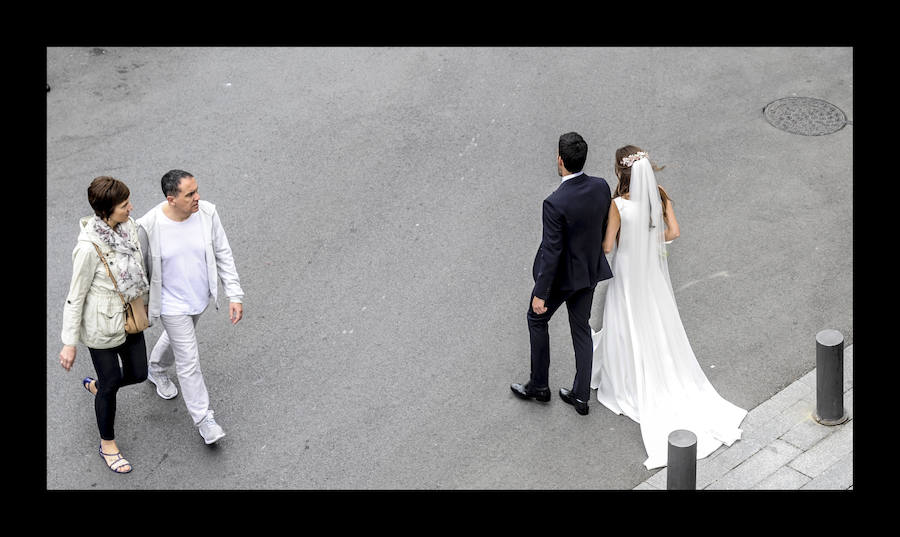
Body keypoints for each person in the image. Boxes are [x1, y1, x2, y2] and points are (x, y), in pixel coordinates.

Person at [589, 145, 747, 469]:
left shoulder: (618, 205)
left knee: (624, 323)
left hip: (627, 273)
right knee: (656, 323)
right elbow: (673, 231)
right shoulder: (658, 194)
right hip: (650, 273)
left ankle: (625, 380)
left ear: (621, 172)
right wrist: (654, 244)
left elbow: (608, 245)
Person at [136, 169, 244, 445]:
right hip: (171, 304)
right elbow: (138, 269)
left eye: (196, 190)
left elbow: (223, 252)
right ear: (171, 199)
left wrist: (235, 294)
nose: (198, 197)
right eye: (190, 194)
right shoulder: (149, 225)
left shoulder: (207, 213)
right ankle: (204, 419)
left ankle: (155, 368)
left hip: (199, 298)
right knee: (189, 360)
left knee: (178, 340)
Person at [511, 132, 614, 415]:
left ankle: (539, 386)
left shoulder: (555, 202)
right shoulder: (601, 186)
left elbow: (553, 252)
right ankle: (581, 396)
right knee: (581, 329)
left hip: (561, 279)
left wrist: (541, 294)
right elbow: (603, 223)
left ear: (560, 160)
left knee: (536, 318)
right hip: (588, 273)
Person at [59, 176, 150, 474]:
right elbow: (76, 296)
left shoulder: (128, 228)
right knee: (112, 384)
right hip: (101, 327)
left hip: (131, 315)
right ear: (106, 210)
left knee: (139, 373)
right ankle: (108, 444)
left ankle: (98, 386)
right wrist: (69, 343)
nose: (131, 208)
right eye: (124, 205)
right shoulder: (88, 248)